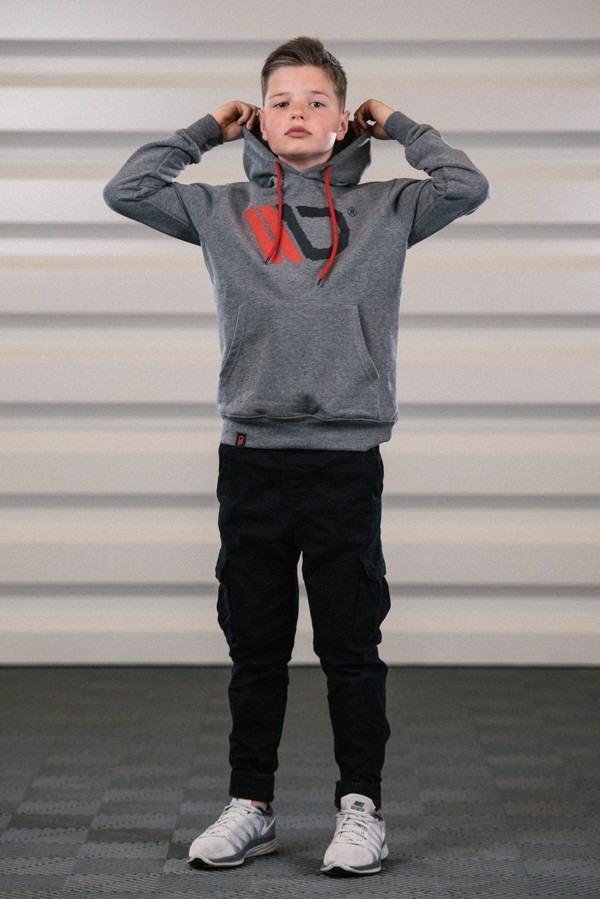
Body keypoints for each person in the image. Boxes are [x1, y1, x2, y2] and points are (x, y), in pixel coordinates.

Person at [104, 36, 489, 876]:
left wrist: (397, 122)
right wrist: (205, 130)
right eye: (280, 101)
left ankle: (361, 807)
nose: (298, 113)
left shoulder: (390, 208)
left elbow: (467, 185)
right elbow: (127, 189)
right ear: (259, 119)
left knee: (350, 645)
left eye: (318, 100)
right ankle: (252, 804)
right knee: (257, 646)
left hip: (345, 462)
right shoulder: (220, 210)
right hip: (252, 459)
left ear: (345, 119)